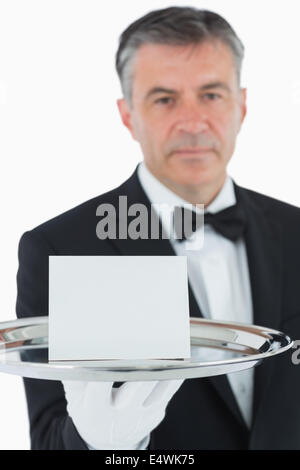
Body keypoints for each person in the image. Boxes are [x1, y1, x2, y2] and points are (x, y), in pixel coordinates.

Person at [16, 6, 300, 450]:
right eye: (164, 99)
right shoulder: (60, 248)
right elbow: (50, 438)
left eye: (211, 94)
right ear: (127, 114)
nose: (192, 123)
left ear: (242, 104)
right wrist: (98, 441)